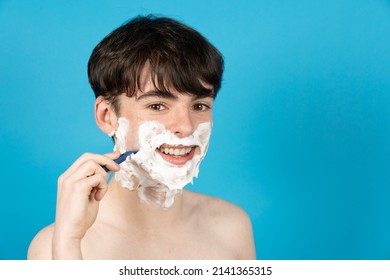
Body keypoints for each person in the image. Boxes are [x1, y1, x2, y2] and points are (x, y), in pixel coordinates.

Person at [28, 15, 255, 259]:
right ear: (107, 116)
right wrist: (68, 243)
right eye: (157, 106)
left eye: (199, 106)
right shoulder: (55, 245)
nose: (186, 127)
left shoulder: (233, 227)